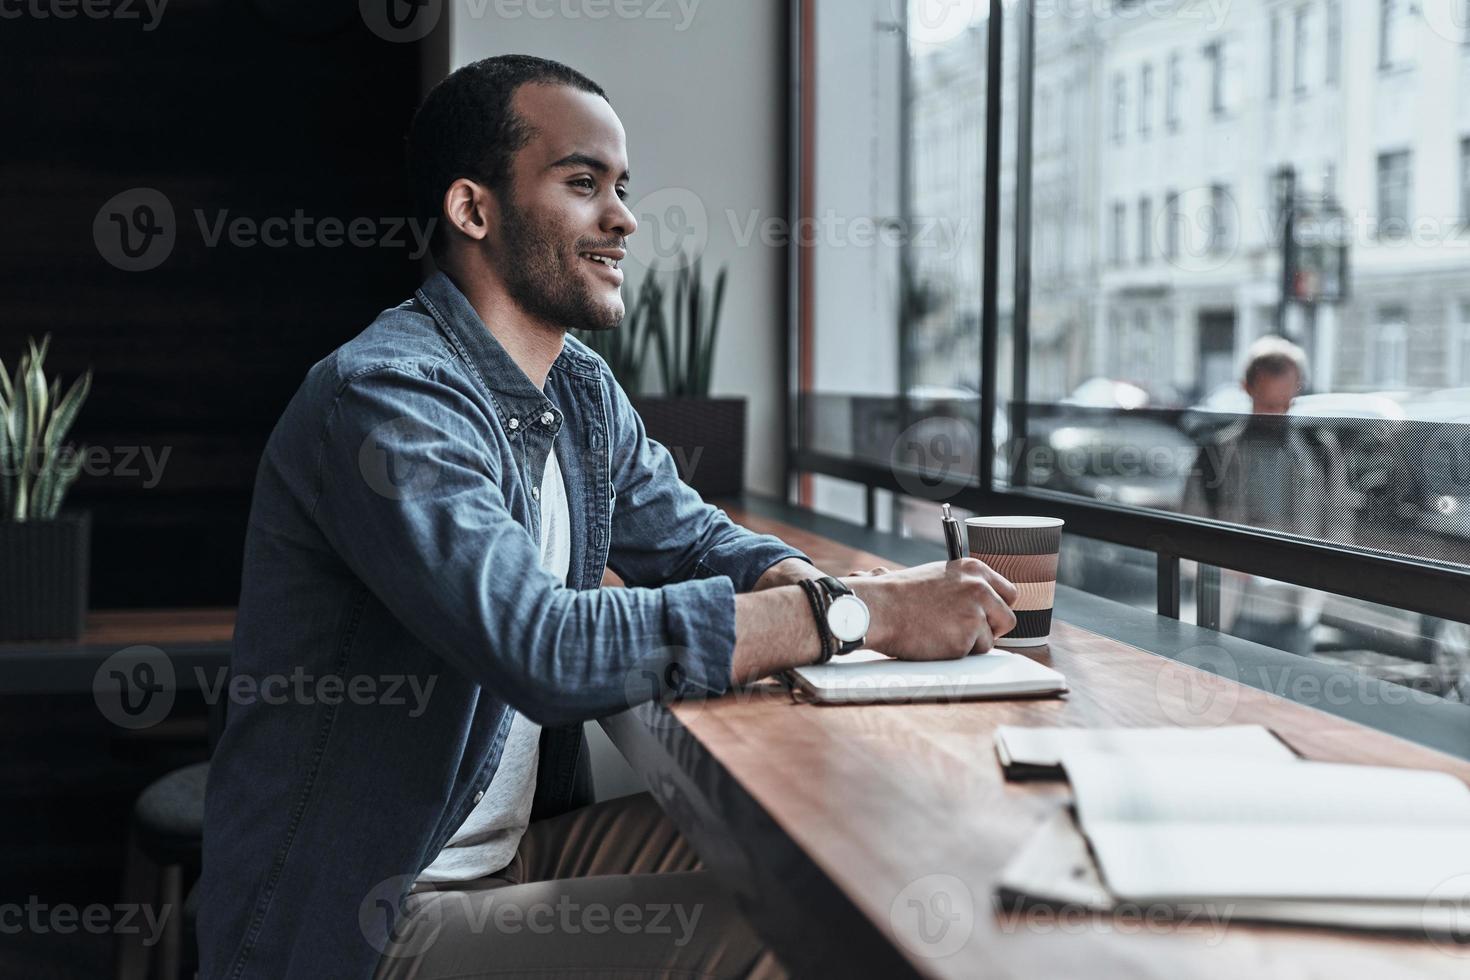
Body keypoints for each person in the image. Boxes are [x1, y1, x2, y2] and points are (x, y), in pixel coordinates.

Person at [196, 55, 1019, 980]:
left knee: (823, 871)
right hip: (366, 921)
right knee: (794, 936)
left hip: (502, 867)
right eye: (583, 183)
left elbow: (692, 535)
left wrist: (813, 585)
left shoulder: (577, 387)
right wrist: (855, 616)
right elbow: (539, 645)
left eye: (621, 187)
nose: (624, 218)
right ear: (473, 210)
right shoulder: (389, 400)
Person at [1182, 336, 1355, 655]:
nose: (1275, 415)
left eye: (1283, 404)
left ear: (1297, 389)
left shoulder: (1320, 450)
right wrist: (1228, 564)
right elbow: (1187, 536)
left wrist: (1318, 566)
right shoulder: (1215, 453)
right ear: (1247, 389)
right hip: (1233, 610)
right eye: (1267, 405)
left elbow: (1339, 522)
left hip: (1298, 610)